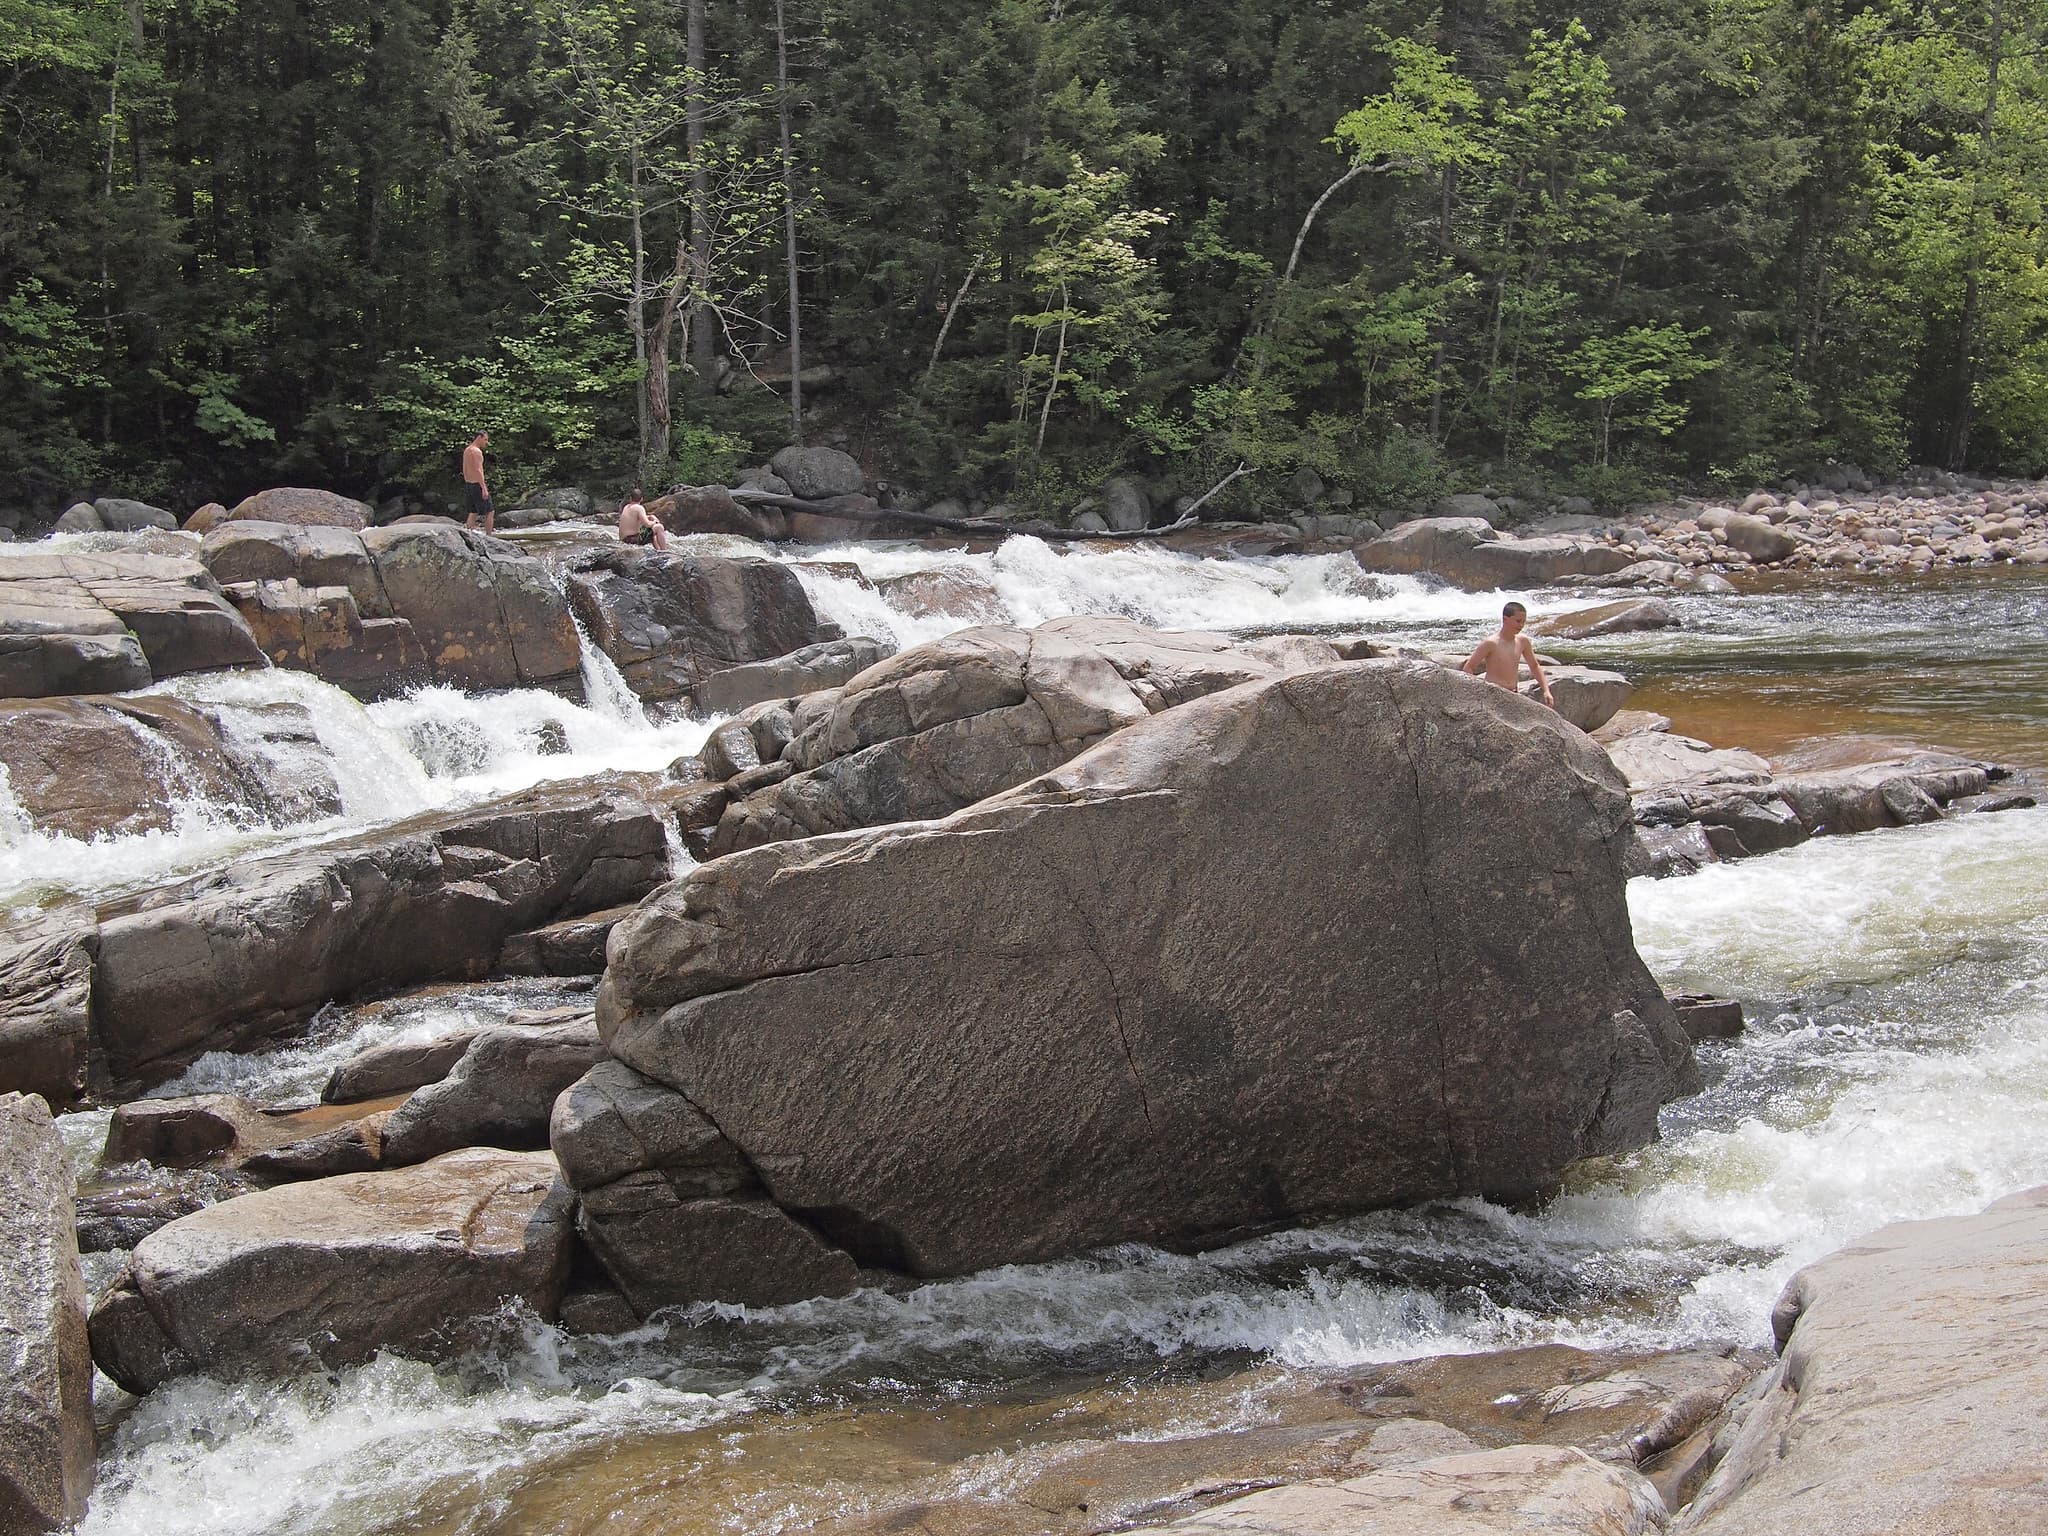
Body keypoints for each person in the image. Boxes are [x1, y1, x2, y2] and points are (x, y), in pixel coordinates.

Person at [1461, 600, 1555, 708]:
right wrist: (1478, 691)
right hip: (1493, 695)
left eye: (1523, 622)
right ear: (1505, 619)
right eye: (1518, 621)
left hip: (1514, 693)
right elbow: (1468, 667)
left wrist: (1546, 690)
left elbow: (1534, 666)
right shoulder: (1490, 643)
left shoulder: (1523, 641)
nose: (1521, 625)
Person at [461, 431, 494, 534]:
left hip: (468, 484)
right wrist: (484, 488)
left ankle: (468, 534)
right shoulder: (476, 452)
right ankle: (489, 536)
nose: (486, 442)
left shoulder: (467, 450)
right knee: (490, 511)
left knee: (473, 511)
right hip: (477, 484)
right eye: (485, 439)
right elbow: (478, 470)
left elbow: (465, 469)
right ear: (479, 437)